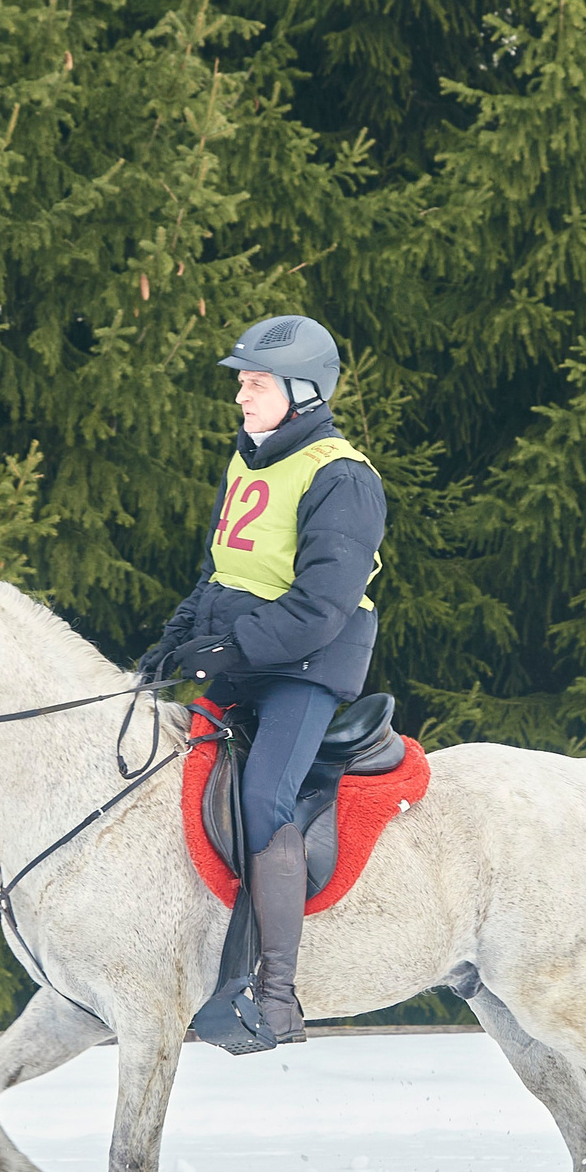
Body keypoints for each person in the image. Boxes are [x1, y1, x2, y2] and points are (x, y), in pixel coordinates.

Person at [139, 315, 387, 1048]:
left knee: (261, 796)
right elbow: (222, 574)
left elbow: (319, 608)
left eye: (255, 384)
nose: (241, 398)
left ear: (301, 390)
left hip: (305, 667)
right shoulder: (248, 462)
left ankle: (272, 995)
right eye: (242, 384)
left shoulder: (343, 476)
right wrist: (173, 643)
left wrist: (223, 655)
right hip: (247, 656)